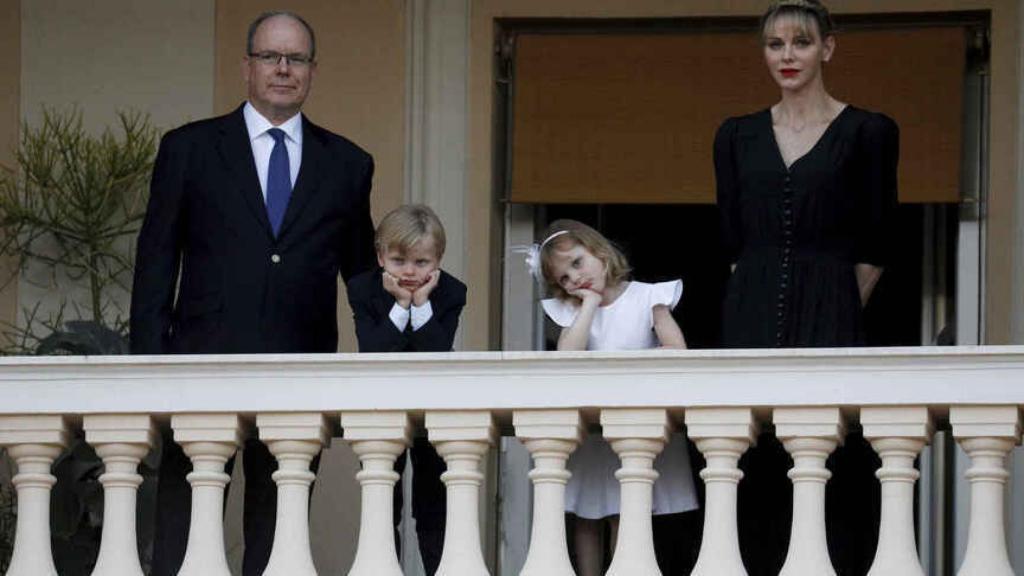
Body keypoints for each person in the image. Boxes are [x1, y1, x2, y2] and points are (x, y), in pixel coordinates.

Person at [129, 11, 375, 576]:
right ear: (247, 68)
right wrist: (149, 367)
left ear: (312, 71)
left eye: (296, 59)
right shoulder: (189, 149)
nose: (282, 69)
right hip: (198, 363)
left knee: (278, 535)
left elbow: (360, 274)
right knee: (183, 534)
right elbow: (156, 263)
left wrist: (380, 363)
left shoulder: (348, 163)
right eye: (270, 57)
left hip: (299, 363)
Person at [713, 1, 899, 574]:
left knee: (832, 455)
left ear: (828, 48)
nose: (787, 55)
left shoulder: (870, 130)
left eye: (800, 42)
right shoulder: (736, 135)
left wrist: (835, 306)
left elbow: (879, 244)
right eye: (775, 44)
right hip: (750, 305)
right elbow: (732, 245)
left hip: (833, 307)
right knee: (751, 455)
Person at [532, 219, 698, 576]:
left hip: (636, 423)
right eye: (564, 278)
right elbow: (568, 357)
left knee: (627, 510)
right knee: (589, 515)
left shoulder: (648, 297)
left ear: (600, 252)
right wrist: (588, 305)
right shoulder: (574, 312)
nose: (574, 278)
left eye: (577, 263)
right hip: (594, 430)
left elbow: (676, 349)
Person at [346, 204, 466, 574]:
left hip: (433, 410)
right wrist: (401, 305)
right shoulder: (362, 289)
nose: (410, 272)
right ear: (381, 255)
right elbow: (375, 350)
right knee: (384, 502)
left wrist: (422, 304)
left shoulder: (452, 292)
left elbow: (436, 351)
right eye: (399, 260)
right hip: (380, 409)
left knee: (432, 506)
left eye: (421, 261)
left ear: (438, 261)